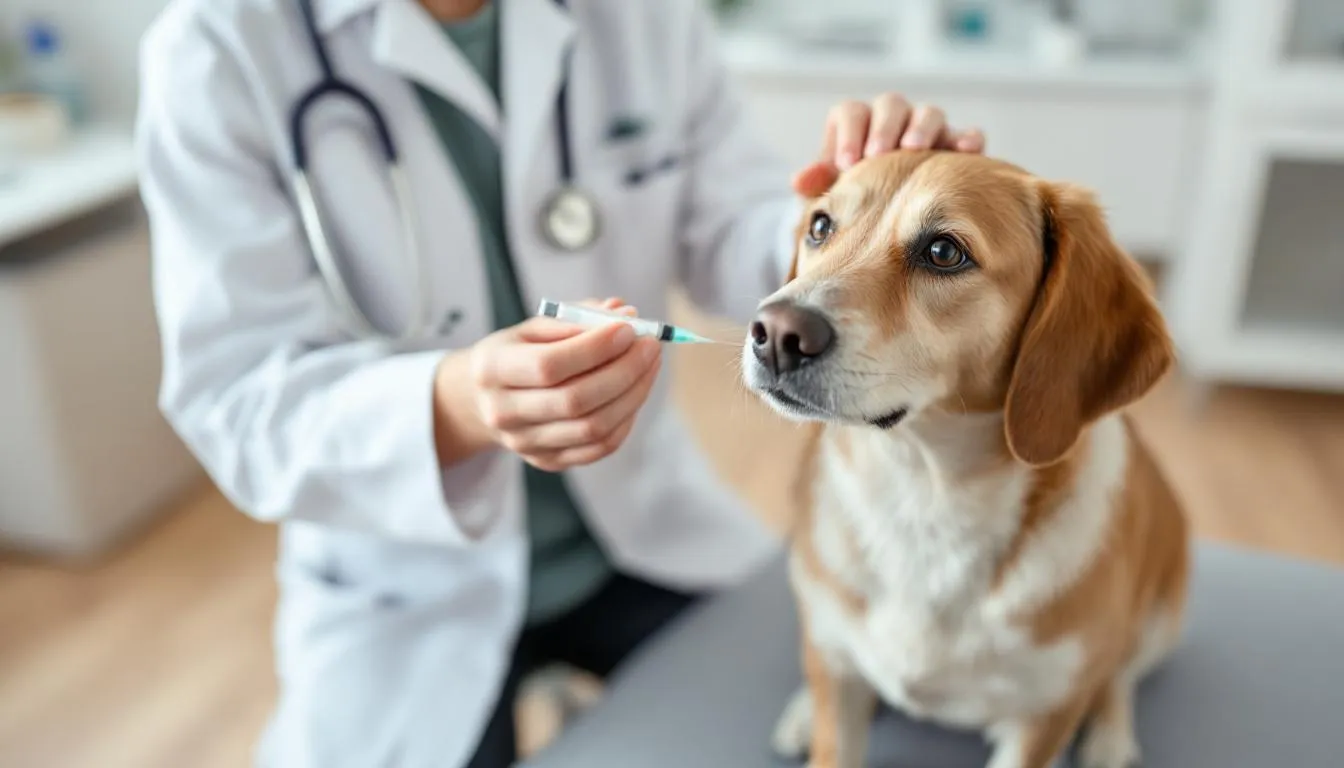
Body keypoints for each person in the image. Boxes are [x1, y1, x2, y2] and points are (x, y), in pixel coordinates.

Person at [134, 0, 986, 766]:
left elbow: (737, 225)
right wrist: (459, 402)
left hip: (643, 531)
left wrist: (859, 221)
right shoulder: (217, 49)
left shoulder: (642, 17)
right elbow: (239, 400)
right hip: (403, 587)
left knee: (826, 729)